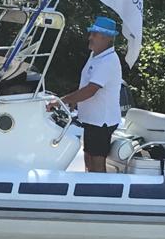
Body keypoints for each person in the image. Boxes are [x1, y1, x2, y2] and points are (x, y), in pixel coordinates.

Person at [47, 16, 124, 173]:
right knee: (88, 158)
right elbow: (86, 84)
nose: (90, 38)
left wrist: (61, 101)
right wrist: (74, 101)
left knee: (97, 162)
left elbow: (90, 90)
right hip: (92, 119)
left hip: (101, 121)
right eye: (91, 34)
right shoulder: (96, 55)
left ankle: (101, 188)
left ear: (107, 38)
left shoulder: (108, 61)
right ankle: (90, 186)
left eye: (94, 34)